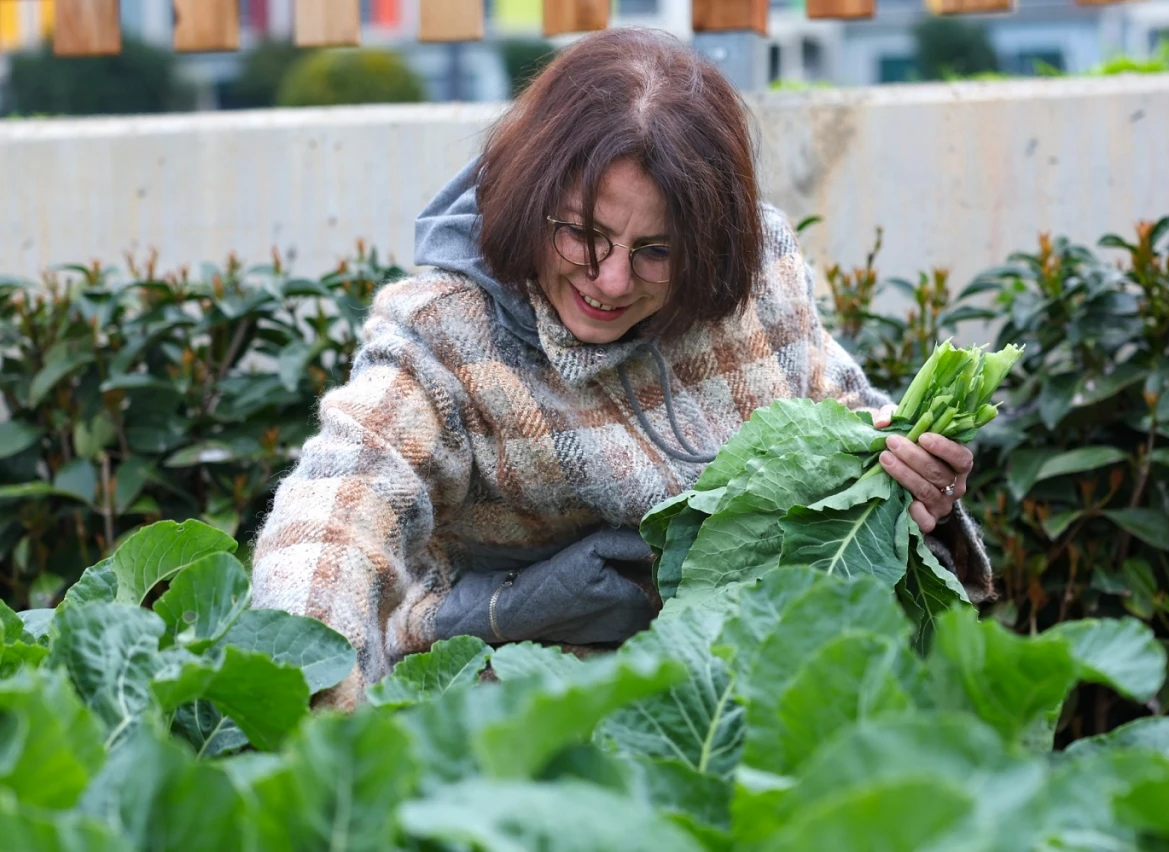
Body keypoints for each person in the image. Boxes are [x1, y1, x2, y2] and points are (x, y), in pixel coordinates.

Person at [250, 27, 993, 710]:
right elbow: (338, 506)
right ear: (530, 198)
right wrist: (306, 704)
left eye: (656, 251)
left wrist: (913, 484)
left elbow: (842, 418)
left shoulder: (757, 276)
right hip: (516, 703)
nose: (610, 281)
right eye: (582, 234)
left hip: (745, 689)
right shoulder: (448, 333)